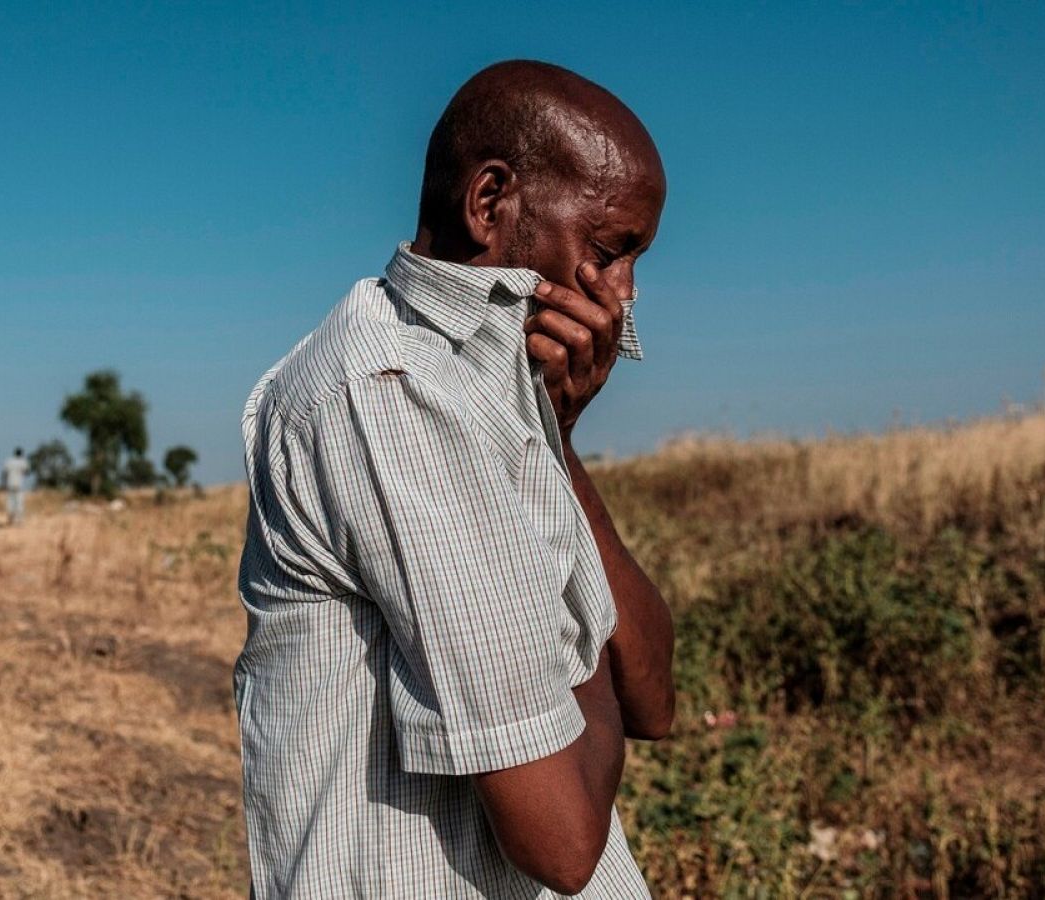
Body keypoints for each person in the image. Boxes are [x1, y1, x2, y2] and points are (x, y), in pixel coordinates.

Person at [234, 61, 675, 898]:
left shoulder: (489, 395)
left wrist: (559, 439)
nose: (622, 298)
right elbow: (565, 841)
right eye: (610, 251)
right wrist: (570, 638)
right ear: (489, 202)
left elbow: (654, 702)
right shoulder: (395, 394)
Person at [2, 447, 29, 525]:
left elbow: (4, 474)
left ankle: (10, 520)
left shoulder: (8, 461)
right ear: (21, 454)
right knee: (19, 502)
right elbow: (27, 472)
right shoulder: (23, 462)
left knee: (10, 502)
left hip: (10, 484)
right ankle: (19, 521)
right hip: (19, 485)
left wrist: (3, 484)